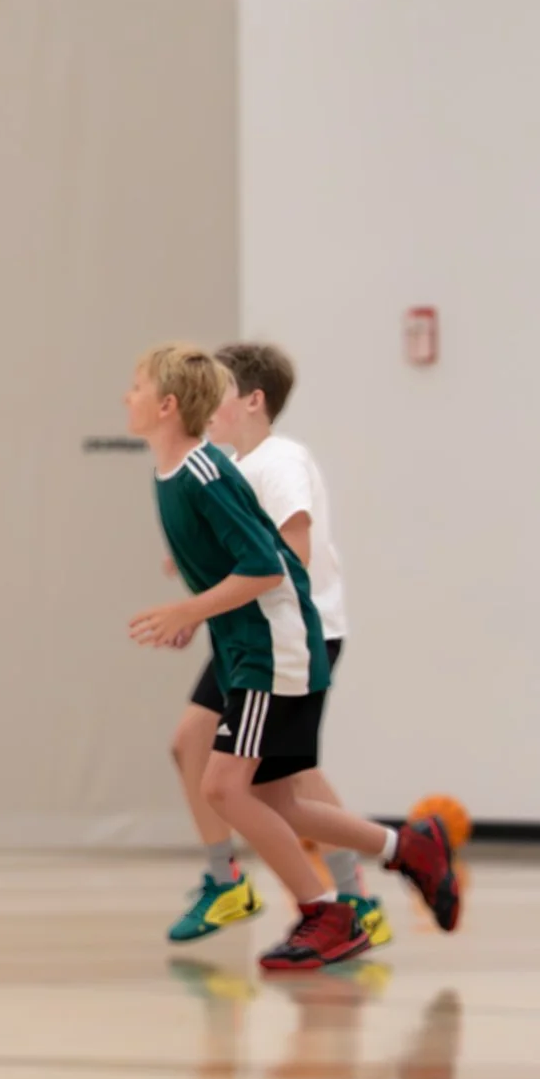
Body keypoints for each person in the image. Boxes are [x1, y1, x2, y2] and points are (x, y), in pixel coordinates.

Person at [122, 343, 459, 970]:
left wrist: (191, 610)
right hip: (250, 638)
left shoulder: (254, 466)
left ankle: (327, 907)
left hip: (276, 642)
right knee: (272, 794)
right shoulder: (185, 471)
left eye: (135, 387)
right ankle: (403, 849)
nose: (125, 397)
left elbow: (274, 564)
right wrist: (196, 603)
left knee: (228, 786)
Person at [167, 345, 384, 944]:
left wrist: (205, 599)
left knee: (287, 779)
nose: (205, 405)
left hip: (296, 632)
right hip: (252, 630)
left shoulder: (281, 462)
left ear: (253, 400)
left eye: (217, 392)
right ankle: (227, 880)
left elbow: (293, 557)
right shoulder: (237, 466)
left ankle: (355, 896)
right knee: (193, 742)